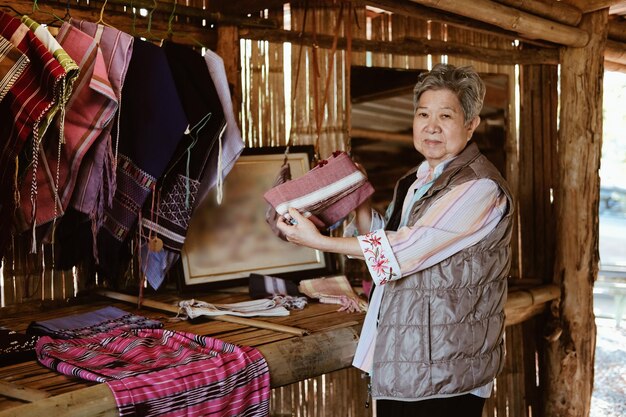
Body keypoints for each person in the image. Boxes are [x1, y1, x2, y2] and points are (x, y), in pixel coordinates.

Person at [276, 63, 513, 417]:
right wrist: (360, 196)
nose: (431, 126)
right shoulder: (416, 181)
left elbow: (403, 250)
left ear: (471, 124)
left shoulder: (479, 187)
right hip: (412, 355)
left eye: (445, 115)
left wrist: (319, 242)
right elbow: (386, 238)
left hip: (446, 366)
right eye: (423, 114)